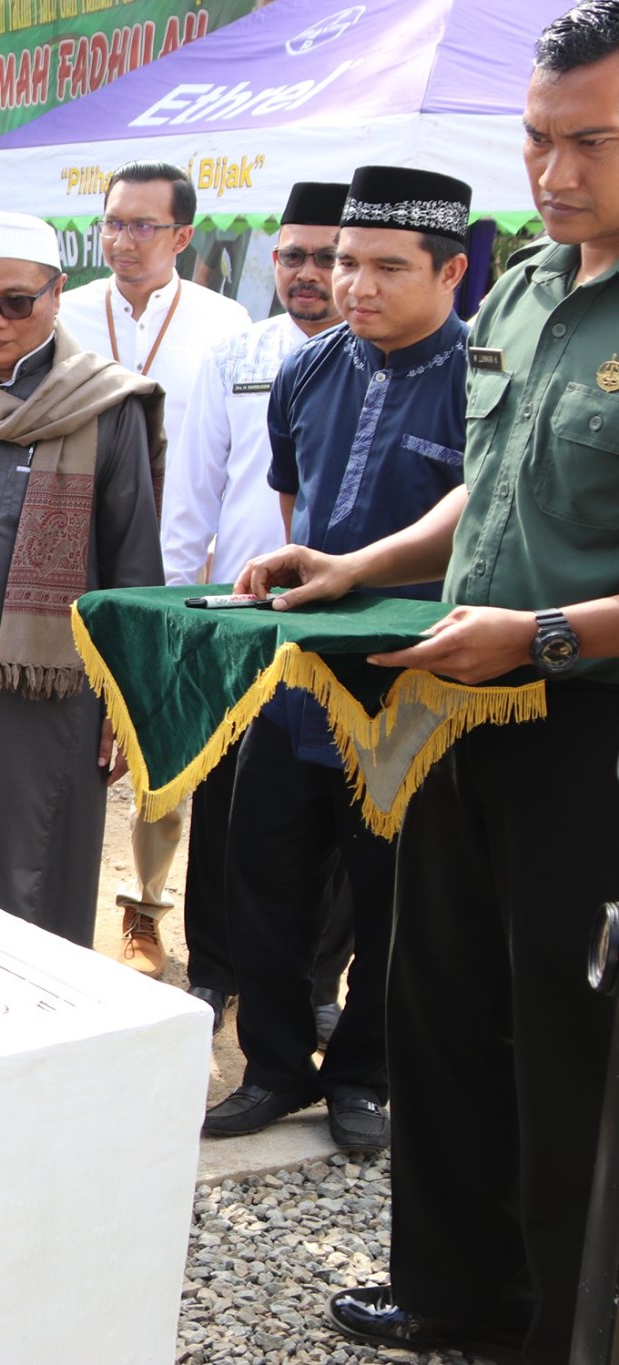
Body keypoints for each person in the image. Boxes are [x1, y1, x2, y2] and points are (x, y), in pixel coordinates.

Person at [243, 7, 619, 1351]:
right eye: (534, 137)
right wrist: (359, 563)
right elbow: (491, 481)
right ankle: (455, 1294)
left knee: (569, 1038)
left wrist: (544, 634)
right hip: (463, 707)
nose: (552, 172)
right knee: (441, 1006)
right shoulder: (521, 287)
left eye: (589, 143)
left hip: (586, 723)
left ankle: (566, 1325)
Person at [207, 167, 474, 1159]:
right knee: (263, 878)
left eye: (387, 267)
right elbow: (295, 514)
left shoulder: (484, 382)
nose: (355, 285)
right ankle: (275, 1068)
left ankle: (363, 1073)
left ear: (451, 272)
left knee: (393, 895)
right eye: (345, 261)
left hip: (418, 686)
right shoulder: (309, 369)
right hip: (299, 680)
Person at [0, 211, 165, 946]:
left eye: (16, 301)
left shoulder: (105, 404)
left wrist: (127, 701)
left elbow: (133, 567)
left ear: (57, 292)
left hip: (47, 687)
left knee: (29, 870)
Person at [60, 159, 252, 977]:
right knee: (65, 738)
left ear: (182, 236)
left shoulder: (225, 325)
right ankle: (54, 903)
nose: (124, 240)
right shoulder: (64, 312)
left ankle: (144, 908)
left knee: (161, 751)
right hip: (71, 564)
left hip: (177, 570)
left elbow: (234, 455)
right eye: (112, 223)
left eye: (144, 225)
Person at [166, 182, 351, 1028]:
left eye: (327, 257)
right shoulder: (237, 355)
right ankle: (214, 966)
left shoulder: (389, 360)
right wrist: (183, 614)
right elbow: (192, 495)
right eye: (292, 256)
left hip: (341, 618)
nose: (307, 273)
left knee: (339, 806)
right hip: (241, 616)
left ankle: (317, 983)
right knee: (225, 799)